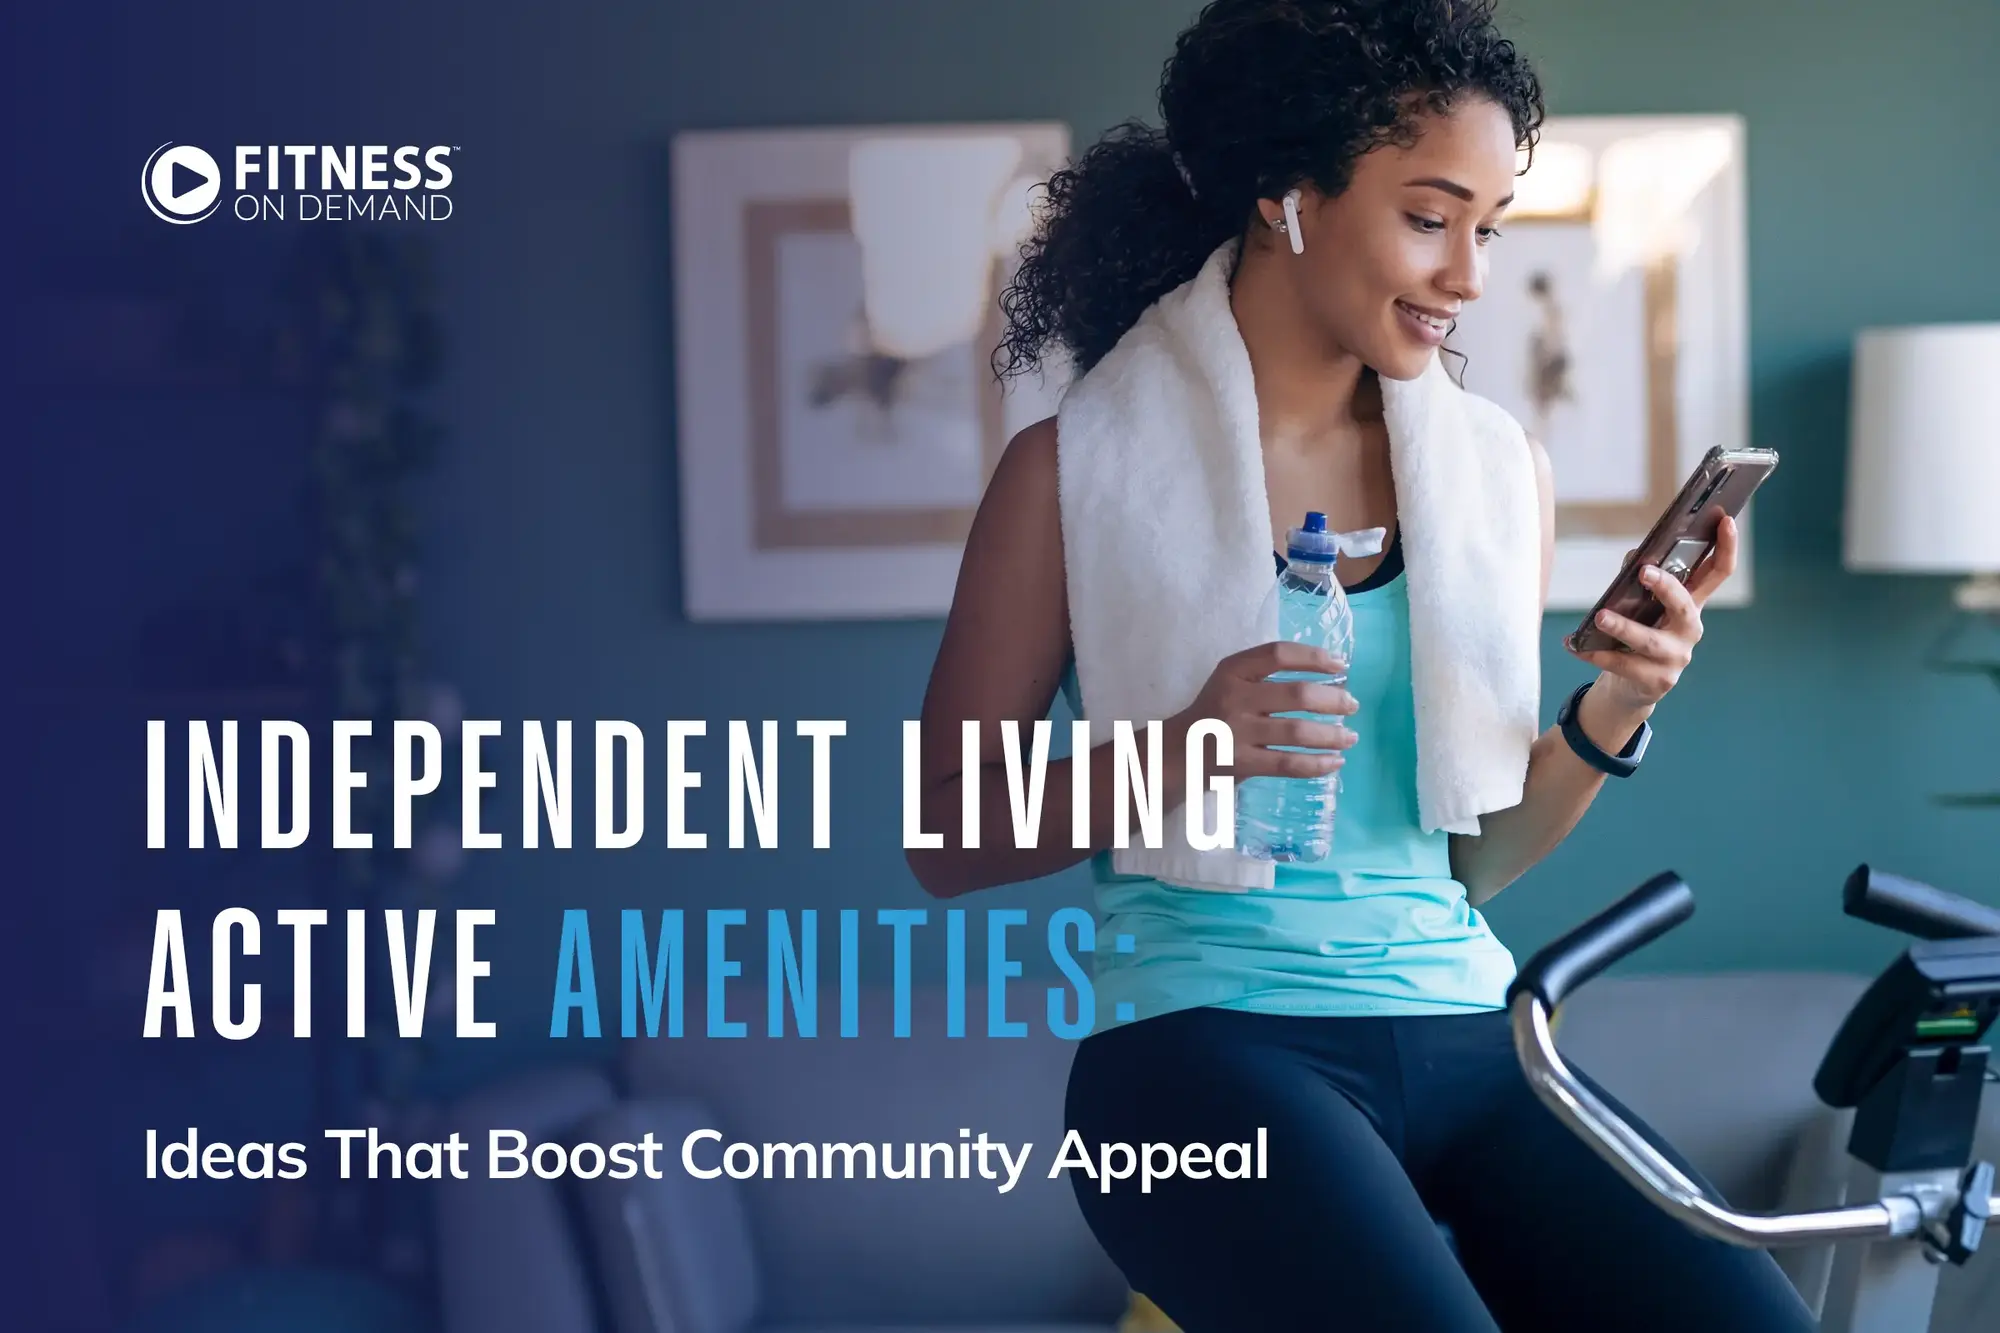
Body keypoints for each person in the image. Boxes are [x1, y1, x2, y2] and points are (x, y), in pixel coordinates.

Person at [906, 1, 1814, 1330]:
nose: (1469, 276)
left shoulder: (1493, 474)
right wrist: (1185, 749)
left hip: (1477, 1032)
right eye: (1431, 218)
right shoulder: (1072, 473)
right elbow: (944, 835)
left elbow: (1472, 861)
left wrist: (1619, 703)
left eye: (1489, 228)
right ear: (1289, 197)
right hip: (1201, 1052)